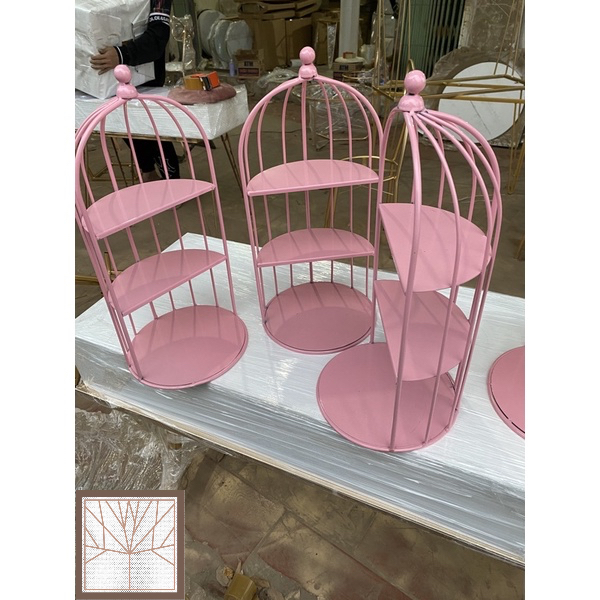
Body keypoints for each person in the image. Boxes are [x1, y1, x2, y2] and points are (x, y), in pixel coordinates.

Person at [90, 0, 180, 181]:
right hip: (108, 76)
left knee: (152, 129)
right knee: (126, 126)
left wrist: (122, 53)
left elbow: (158, 36)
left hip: (146, 74)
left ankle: (173, 181)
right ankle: (147, 172)